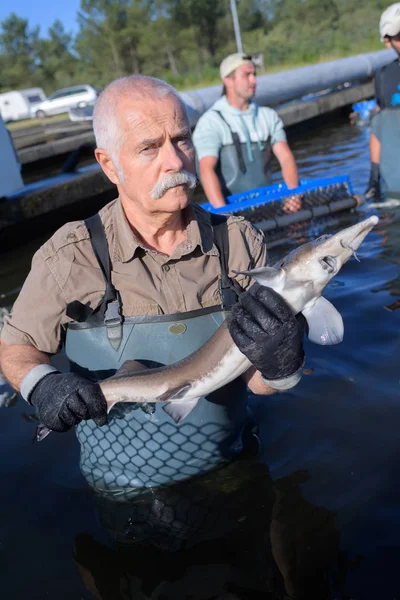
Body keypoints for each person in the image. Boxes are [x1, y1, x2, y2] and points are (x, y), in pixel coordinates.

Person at [0, 75, 305, 501]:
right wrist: (42, 384)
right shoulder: (70, 256)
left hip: (235, 466)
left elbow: (259, 384)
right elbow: (14, 348)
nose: (175, 161)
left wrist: (283, 363)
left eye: (181, 139)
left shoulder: (238, 241)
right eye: (149, 147)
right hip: (123, 490)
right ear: (109, 165)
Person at [192, 52, 302, 212]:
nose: (254, 80)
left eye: (254, 74)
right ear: (228, 81)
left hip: (267, 205)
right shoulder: (210, 122)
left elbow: (285, 158)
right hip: (233, 208)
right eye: (247, 75)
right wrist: (225, 214)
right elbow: (206, 170)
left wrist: (294, 196)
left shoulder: (268, 116)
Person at [365, 3, 400, 201]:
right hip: (395, 186)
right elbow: (379, 126)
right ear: (387, 40)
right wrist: (374, 177)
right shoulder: (384, 76)